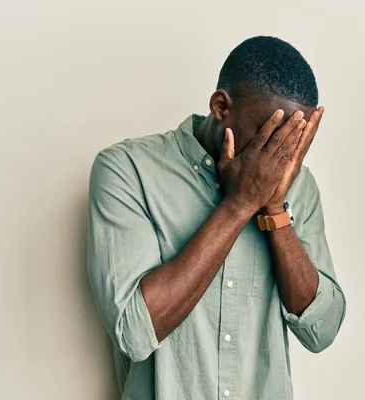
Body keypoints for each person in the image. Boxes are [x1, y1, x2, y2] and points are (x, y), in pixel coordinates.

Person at [87, 35, 346, 400]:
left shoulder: (298, 186)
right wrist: (240, 204)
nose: (281, 156)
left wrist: (274, 210)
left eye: (293, 141)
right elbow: (134, 331)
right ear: (221, 106)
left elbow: (322, 331)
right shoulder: (127, 170)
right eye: (271, 136)